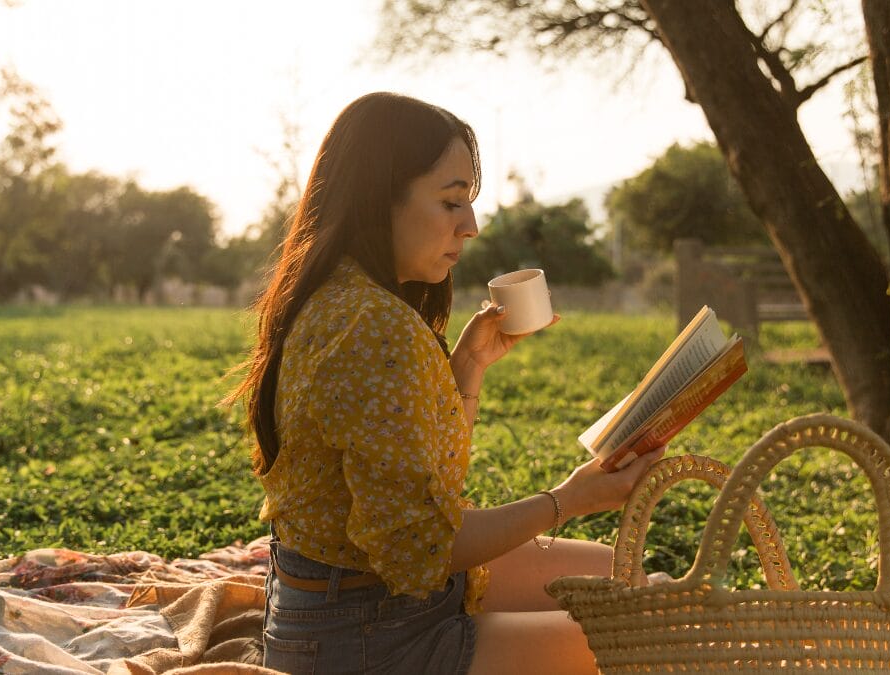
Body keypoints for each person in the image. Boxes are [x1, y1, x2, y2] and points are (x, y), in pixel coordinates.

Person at [227, 91, 664, 675]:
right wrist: (571, 497)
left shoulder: (339, 297)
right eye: (452, 202)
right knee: (655, 627)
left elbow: (422, 484)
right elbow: (420, 549)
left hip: (343, 604)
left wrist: (468, 368)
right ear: (378, 199)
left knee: (629, 575)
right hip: (367, 636)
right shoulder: (374, 326)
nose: (472, 226)